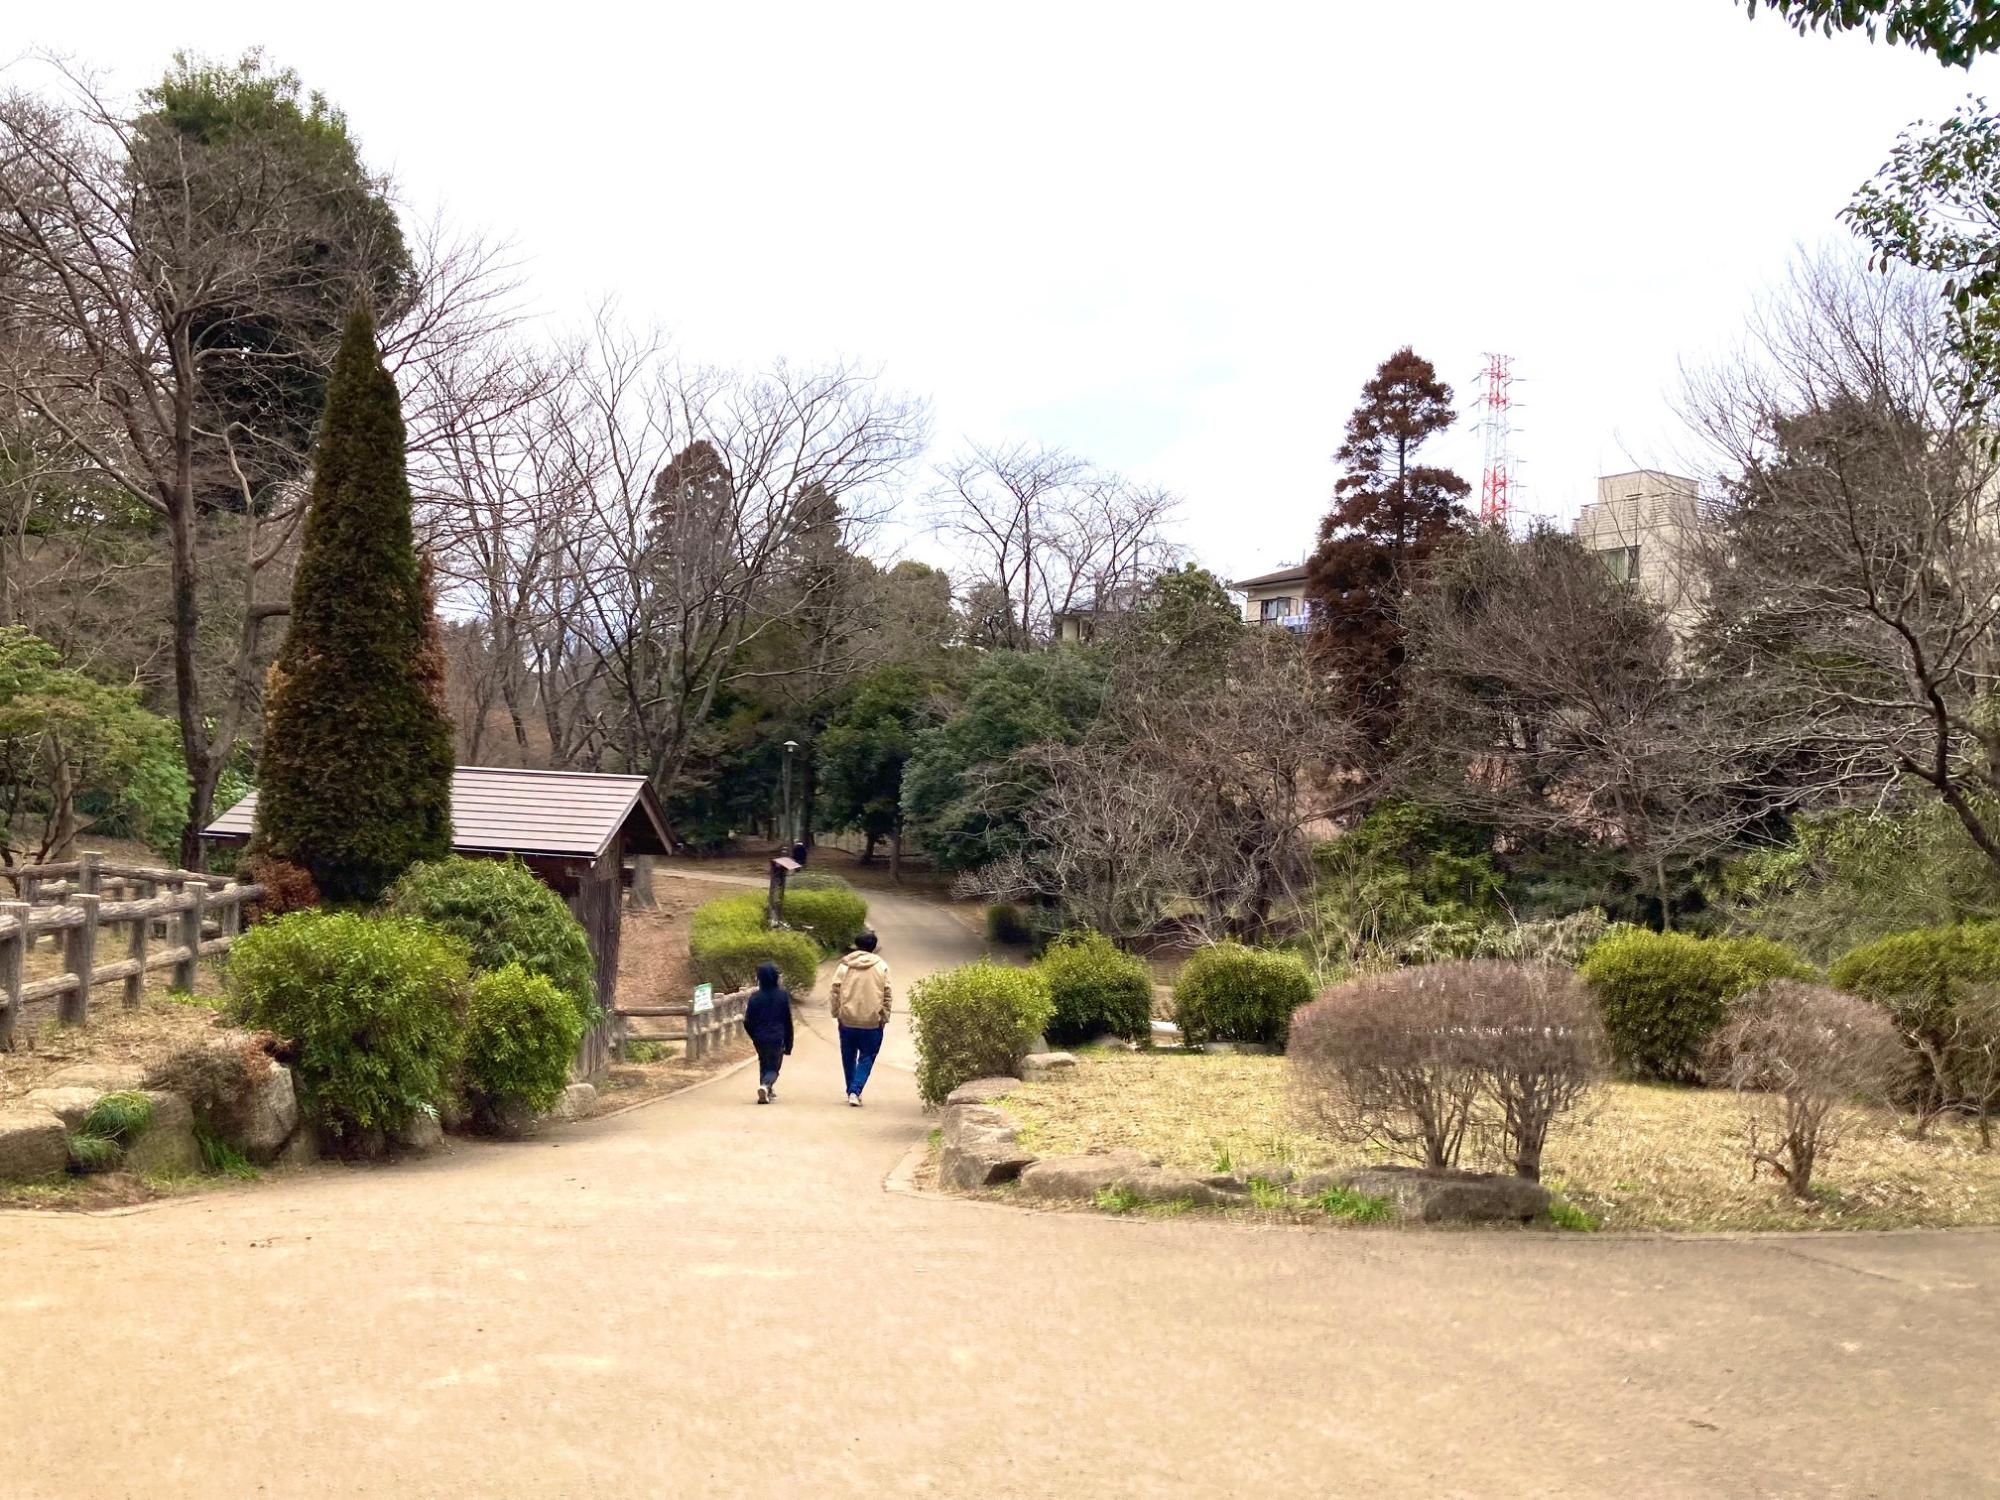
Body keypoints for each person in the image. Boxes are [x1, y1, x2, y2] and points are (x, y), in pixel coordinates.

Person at [829, 929, 891, 1107]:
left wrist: (836, 1013)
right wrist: (884, 1017)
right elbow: (887, 994)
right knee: (867, 1057)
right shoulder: (881, 967)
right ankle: (855, 1091)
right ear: (874, 946)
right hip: (872, 1021)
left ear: (856, 945)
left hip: (847, 1019)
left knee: (848, 1056)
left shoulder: (844, 966)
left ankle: (852, 1090)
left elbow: (835, 991)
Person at [743, 961, 794, 1105]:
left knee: (764, 1062)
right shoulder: (782, 996)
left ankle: (766, 1090)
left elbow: (747, 1021)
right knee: (774, 1068)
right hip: (777, 1036)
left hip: (759, 1036)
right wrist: (789, 1043)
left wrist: (753, 1035)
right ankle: (765, 1085)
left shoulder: (755, 997)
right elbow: (787, 1021)